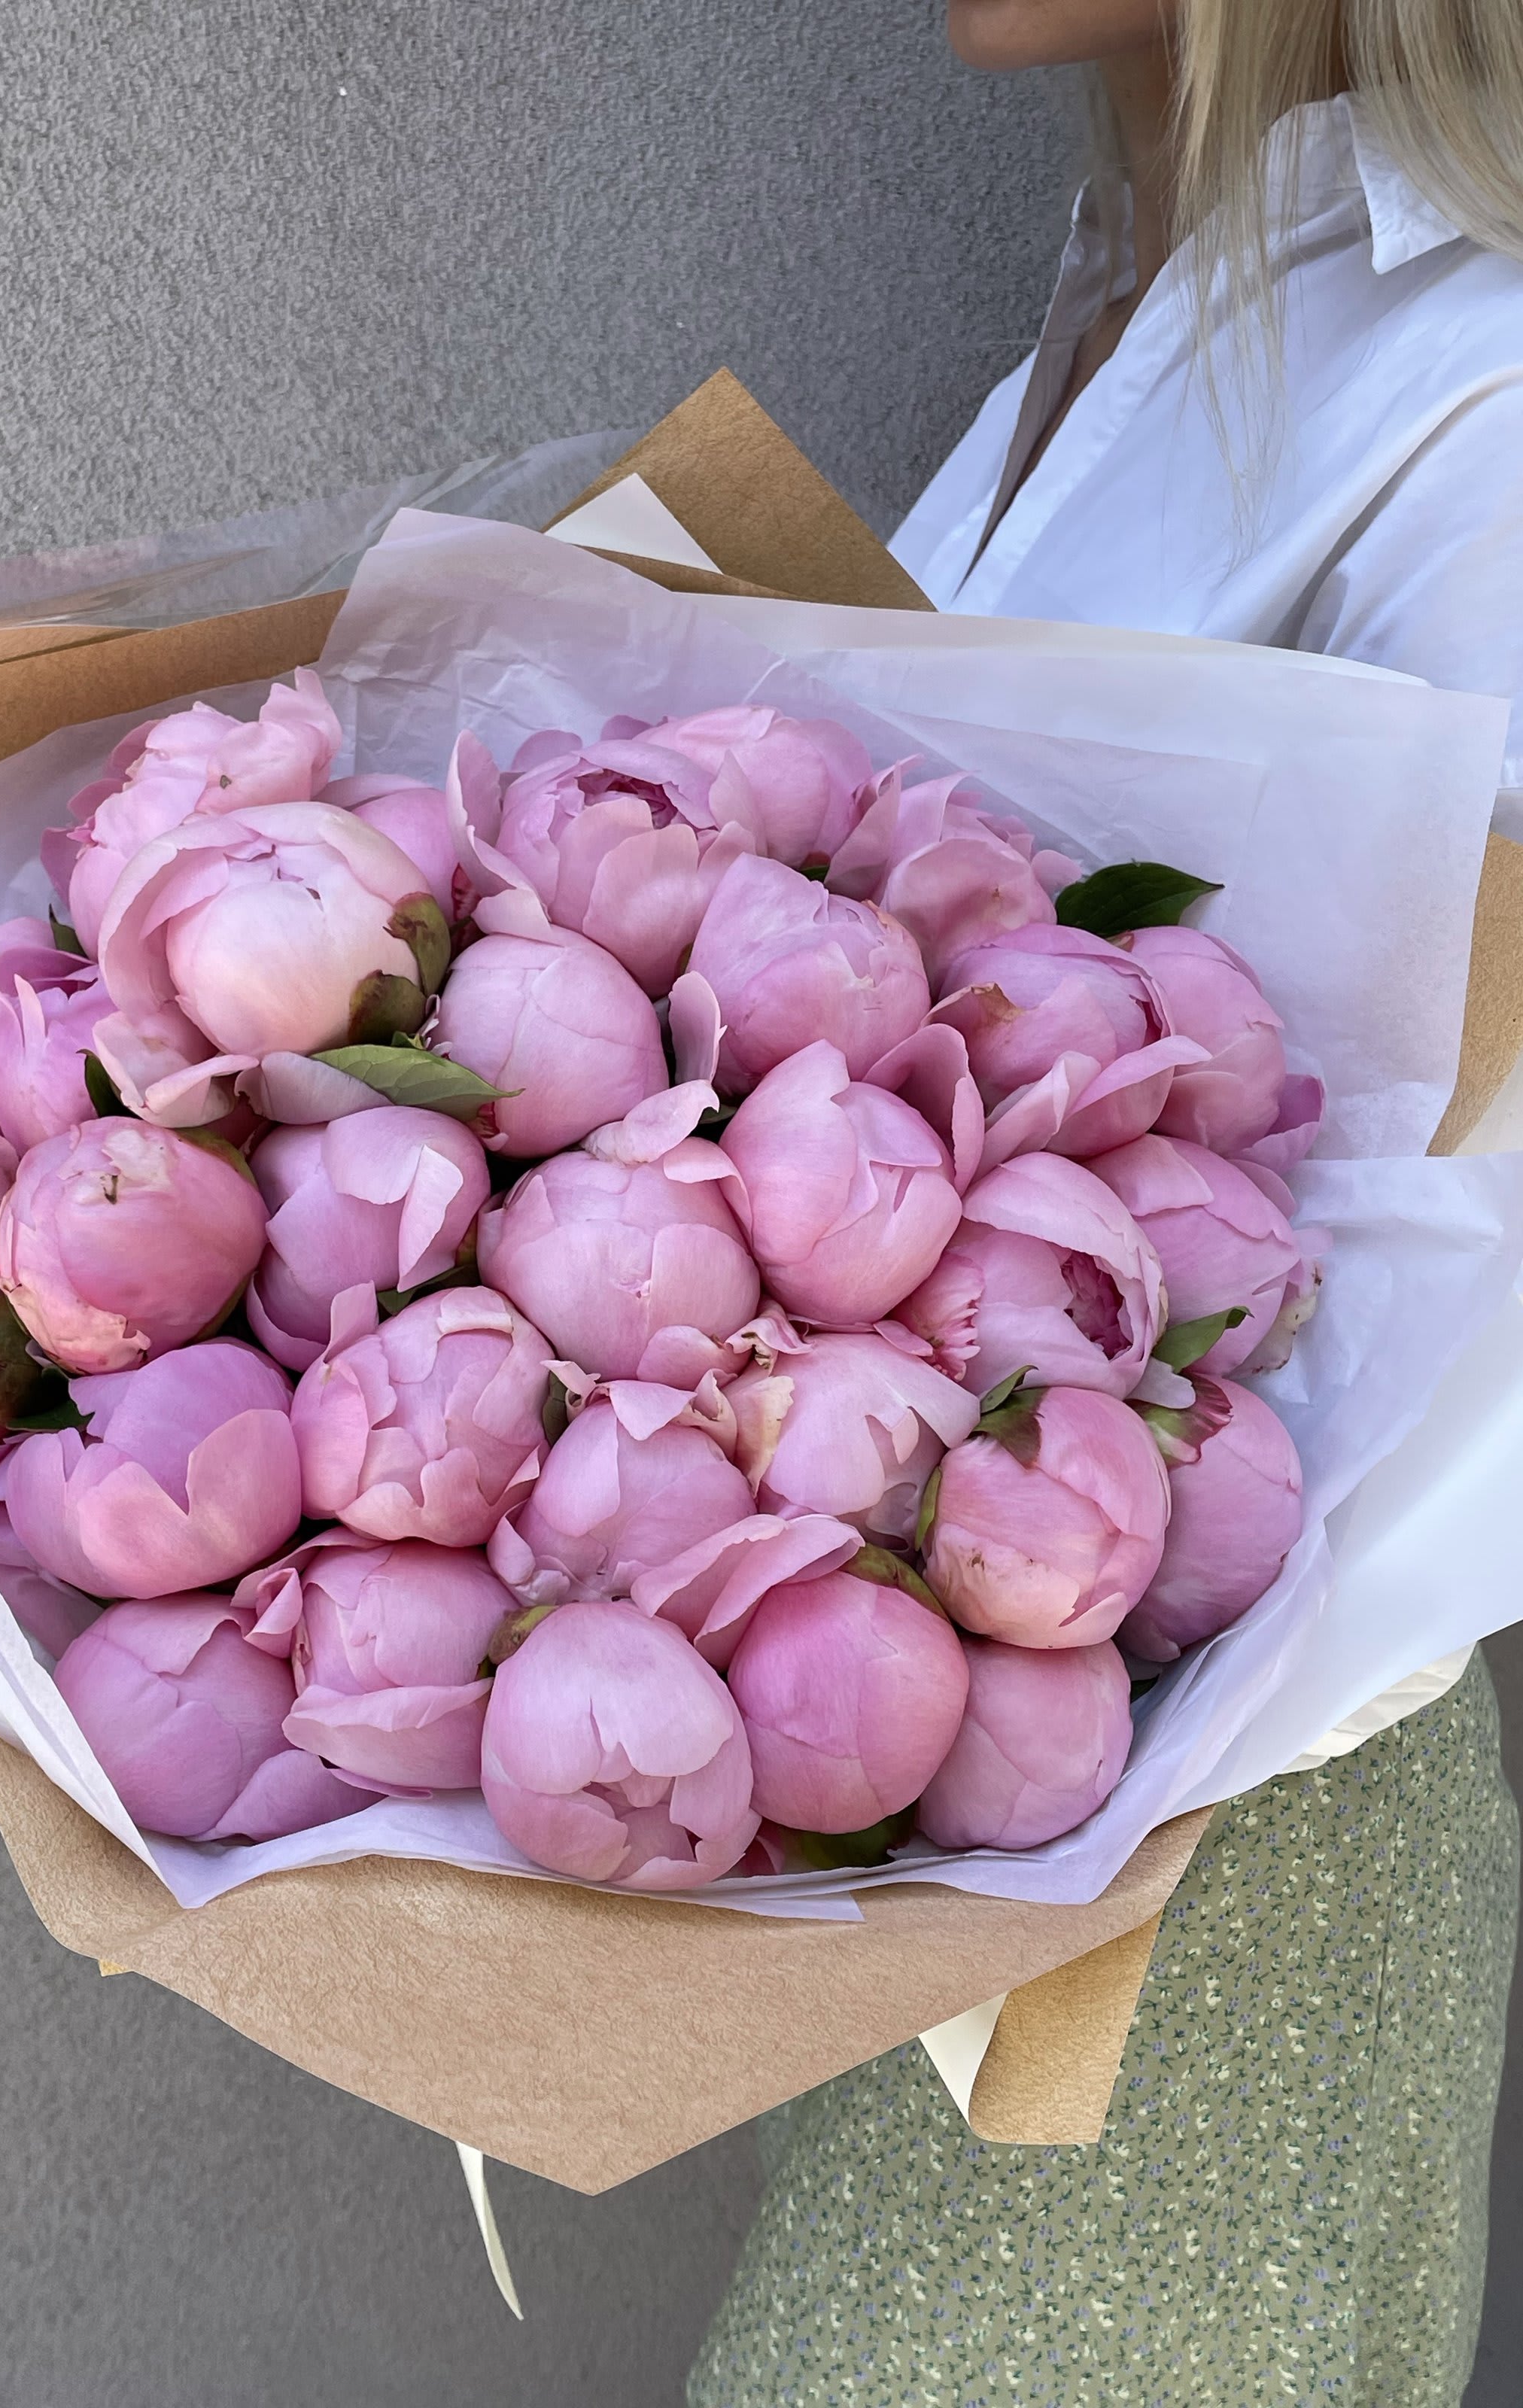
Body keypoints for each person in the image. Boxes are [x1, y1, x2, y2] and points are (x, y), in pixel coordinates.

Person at [689, 5, 1523, 2402]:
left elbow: (1438, 1318)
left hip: (1206, 1926)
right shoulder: (1128, 298)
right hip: (925, 1835)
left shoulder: (1480, 381)